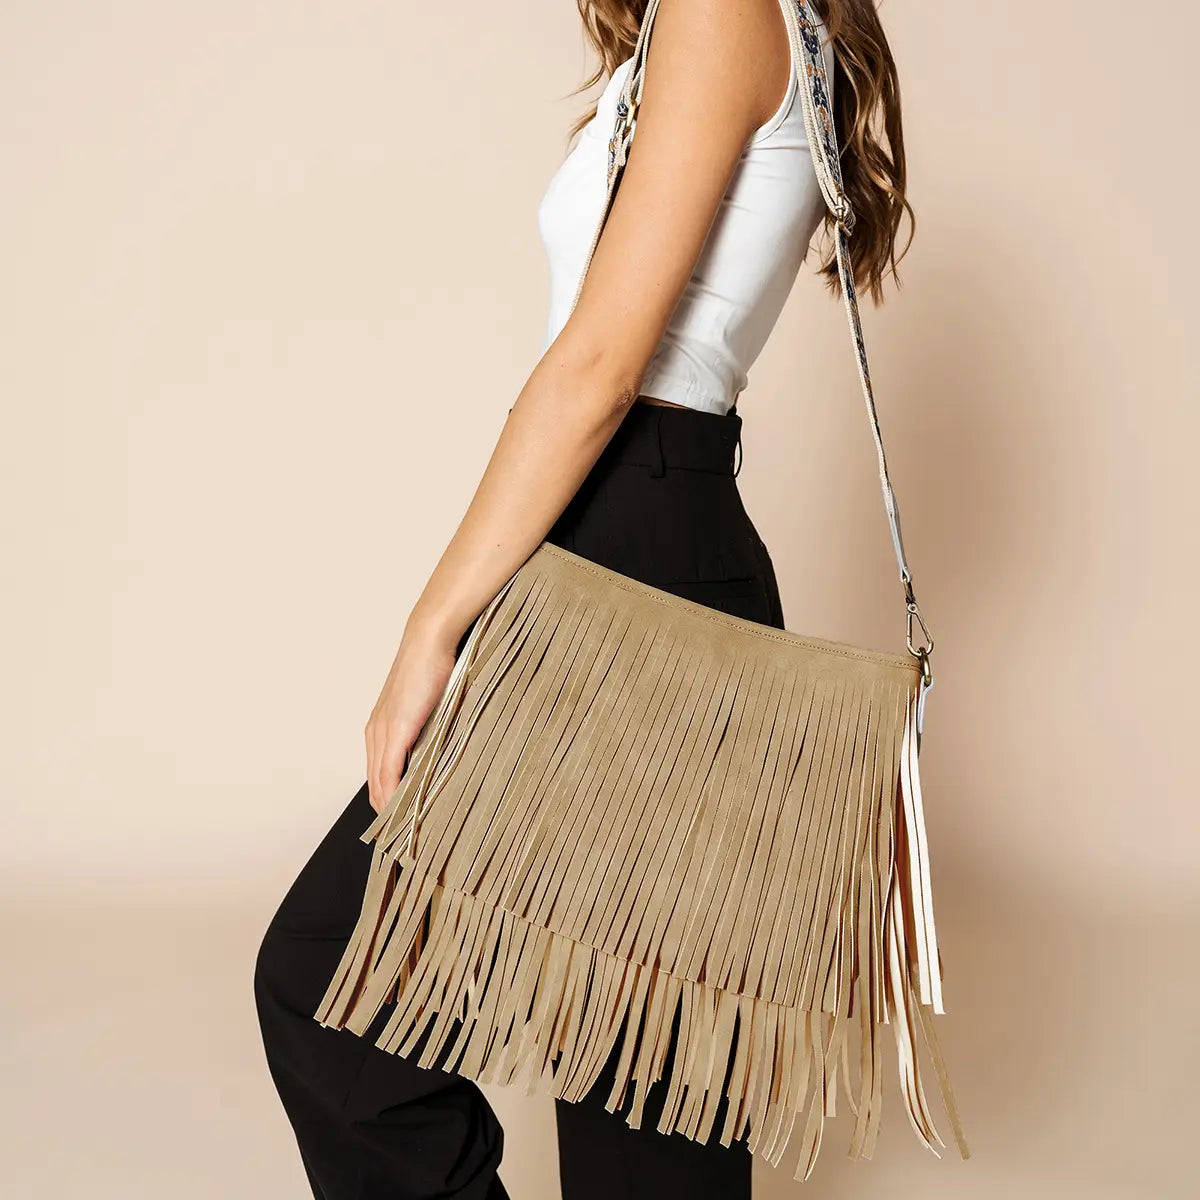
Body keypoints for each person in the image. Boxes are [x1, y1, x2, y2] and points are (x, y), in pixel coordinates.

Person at [253, 1, 915, 1196]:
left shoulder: (723, 11)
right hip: (647, 547)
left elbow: (601, 367)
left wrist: (430, 631)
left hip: (634, 556)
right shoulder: (758, 25)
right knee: (635, 1081)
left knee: (397, 1008)